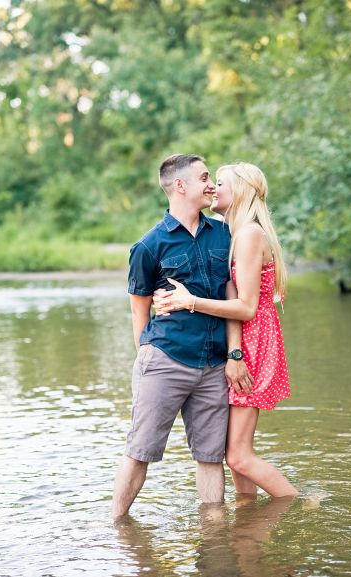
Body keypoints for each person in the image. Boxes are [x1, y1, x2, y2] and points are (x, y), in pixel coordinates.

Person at [152, 162, 298, 498]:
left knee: (238, 455)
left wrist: (190, 302)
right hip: (240, 338)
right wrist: (167, 293)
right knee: (237, 457)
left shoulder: (248, 234)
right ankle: (246, 522)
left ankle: (298, 503)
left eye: (220, 182)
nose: (214, 188)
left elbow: (246, 307)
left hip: (253, 341)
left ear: (242, 190)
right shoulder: (229, 230)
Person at [112, 153, 241, 519]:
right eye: (203, 177)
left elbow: (234, 297)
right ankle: (116, 530)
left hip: (215, 364)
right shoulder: (148, 246)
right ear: (180, 185)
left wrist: (233, 355)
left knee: (211, 456)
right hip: (165, 360)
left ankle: (214, 539)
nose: (211, 184)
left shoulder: (224, 233)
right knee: (140, 451)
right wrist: (147, 360)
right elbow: (139, 311)